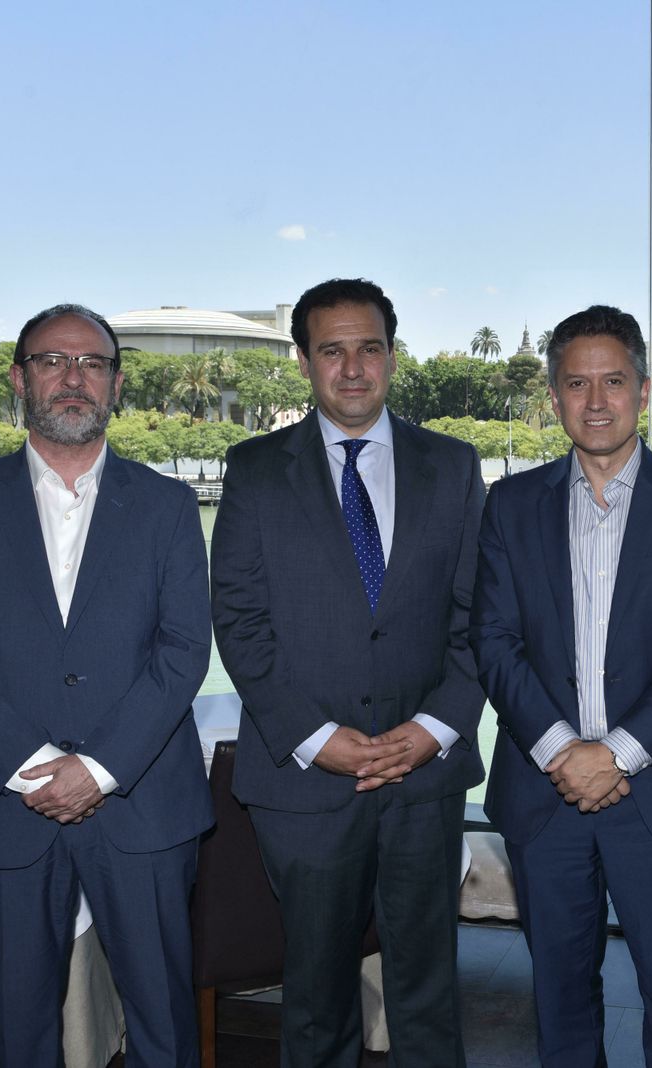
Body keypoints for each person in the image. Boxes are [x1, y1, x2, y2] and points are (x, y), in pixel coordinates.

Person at [0, 304, 213, 1066]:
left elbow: (182, 651)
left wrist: (100, 769)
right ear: (19, 379)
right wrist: (29, 766)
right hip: (4, 809)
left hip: (141, 806)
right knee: (17, 1031)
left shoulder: (169, 505)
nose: (73, 378)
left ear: (115, 386)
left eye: (93, 365)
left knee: (164, 1028)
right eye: (52, 361)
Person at [210, 278, 485, 1068]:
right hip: (303, 784)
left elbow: (480, 620)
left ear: (393, 358)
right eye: (333, 350)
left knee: (428, 992)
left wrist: (432, 730)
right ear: (304, 362)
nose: (353, 367)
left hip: (422, 781)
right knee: (316, 995)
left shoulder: (453, 466)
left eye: (369, 348)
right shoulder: (255, 470)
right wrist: (313, 736)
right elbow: (241, 620)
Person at [473, 305, 652, 1067]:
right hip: (544, 798)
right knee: (559, 1002)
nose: (596, 401)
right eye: (576, 383)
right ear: (553, 397)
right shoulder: (509, 505)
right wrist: (565, 752)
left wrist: (616, 755)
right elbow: (492, 641)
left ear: (646, 392)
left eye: (614, 381)